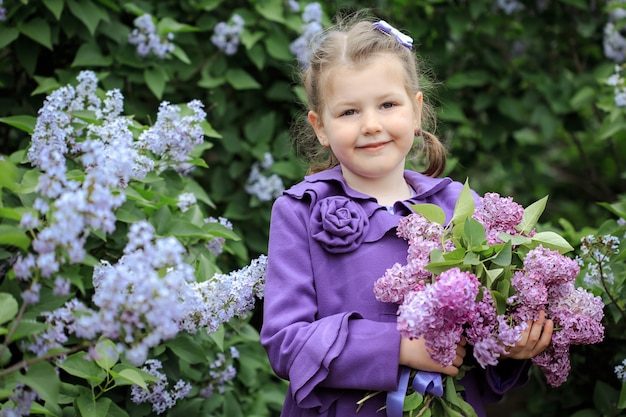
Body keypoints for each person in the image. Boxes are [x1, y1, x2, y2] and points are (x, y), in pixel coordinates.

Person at [260, 12, 553, 417]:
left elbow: (482, 332)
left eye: (387, 105)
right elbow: (286, 343)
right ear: (320, 126)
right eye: (348, 112)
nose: (371, 125)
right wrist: (398, 347)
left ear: (415, 112)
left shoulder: (462, 207)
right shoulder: (299, 211)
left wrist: (509, 345)